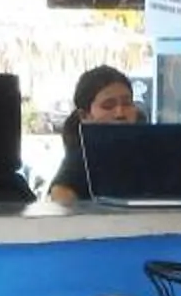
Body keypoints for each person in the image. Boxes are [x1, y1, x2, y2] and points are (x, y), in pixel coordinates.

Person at [45, 65, 140, 202]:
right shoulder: (81, 156)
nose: (120, 113)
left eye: (127, 104)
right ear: (84, 115)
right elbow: (60, 193)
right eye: (108, 106)